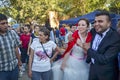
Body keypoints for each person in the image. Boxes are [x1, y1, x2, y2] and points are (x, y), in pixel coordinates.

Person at [83, 11, 120, 80]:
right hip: (92, 70)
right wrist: (73, 36)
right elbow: (83, 32)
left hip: (106, 74)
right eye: (95, 21)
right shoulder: (93, 31)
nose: (96, 24)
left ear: (109, 23)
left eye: (100, 21)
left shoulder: (116, 38)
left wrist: (88, 49)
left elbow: (104, 59)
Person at [0, 13, 21, 80]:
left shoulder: (12, 33)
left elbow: (16, 48)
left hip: (14, 68)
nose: (6, 25)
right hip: (2, 71)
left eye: (6, 23)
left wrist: (19, 61)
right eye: (3, 23)